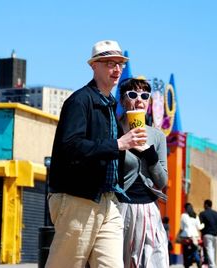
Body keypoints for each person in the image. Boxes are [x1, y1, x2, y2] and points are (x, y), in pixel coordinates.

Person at [45, 40, 147, 268]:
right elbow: (70, 147)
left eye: (120, 63)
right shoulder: (79, 101)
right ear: (94, 66)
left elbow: (108, 149)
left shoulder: (111, 104)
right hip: (77, 199)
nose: (117, 69)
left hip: (107, 200)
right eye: (110, 63)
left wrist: (131, 148)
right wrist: (118, 144)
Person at [116, 77, 169, 268]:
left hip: (148, 210)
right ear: (122, 100)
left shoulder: (157, 136)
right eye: (132, 94)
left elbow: (162, 181)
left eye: (145, 95)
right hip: (119, 208)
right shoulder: (112, 130)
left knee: (155, 261)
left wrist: (151, 156)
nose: (139, 100)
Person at [199, 199, 217, 268]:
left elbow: (200, 224)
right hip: (215, 235)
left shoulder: (202, 214)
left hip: (207, 234)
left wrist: (202, 231)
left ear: (206, 205)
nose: (203, 206)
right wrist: (216, 229)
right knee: (214, 250)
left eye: (204, 204)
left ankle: (212, 266)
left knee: (209, 249)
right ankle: (213, 264)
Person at [180, 203, 204, 268]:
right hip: (194, 237)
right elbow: (199, 227)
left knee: (186, 252)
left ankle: (187, 265)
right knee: (195, 250)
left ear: (185, 209)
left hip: (186, 236)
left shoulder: (183, 215)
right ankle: (198, 260)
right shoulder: (195, 216)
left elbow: (182, 227)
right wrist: (203, 225)